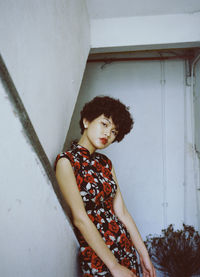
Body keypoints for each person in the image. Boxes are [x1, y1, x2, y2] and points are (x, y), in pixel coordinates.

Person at [55, 96, 156, 277]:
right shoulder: (66, 162)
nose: (108, 133)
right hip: (100, 255)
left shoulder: (105, 163)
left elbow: (122, 213)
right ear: (86, 121)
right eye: (104, 124)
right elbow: (80, 219)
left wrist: (144, 254)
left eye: (114, 131)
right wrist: (115, 266)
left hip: (124, 248)